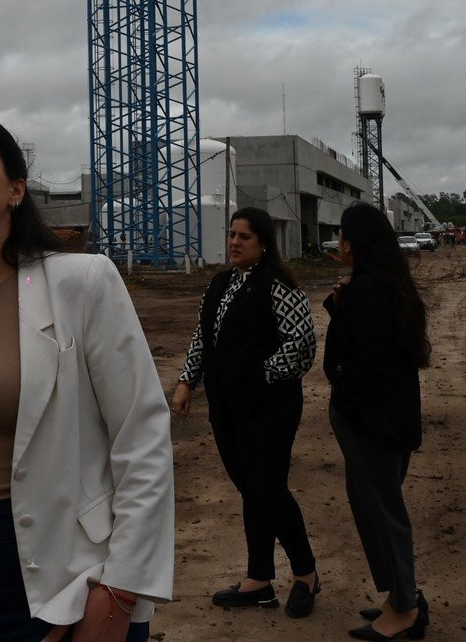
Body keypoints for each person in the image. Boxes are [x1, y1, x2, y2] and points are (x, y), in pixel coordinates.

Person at [0, 115, 174, 642]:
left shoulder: (81, 283)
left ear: (16, 189)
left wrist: (119, 593)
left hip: (69, 578)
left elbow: (143, 437)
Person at [171, 207, 321, 618]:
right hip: (228, 407)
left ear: (264, 244)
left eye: (245, 237)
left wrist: (258, 375)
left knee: (268, 488)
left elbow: (302, 346)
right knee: (251, 488)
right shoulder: (221, 283)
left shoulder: (280, 287)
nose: (234, 242)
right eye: (232, 234)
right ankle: (259, 580)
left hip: (269, 408)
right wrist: (187, 381)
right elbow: (203, 337)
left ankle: (306, 574)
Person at [325, 201, 432, 641]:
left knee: (384, 512)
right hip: (387, 417)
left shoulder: (371, 291)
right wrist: (340, 303)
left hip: (372, 421)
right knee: (371, 506)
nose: (339, 242)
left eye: (343, 234)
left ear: (354, 242)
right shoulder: (385, 285)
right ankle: (399, 597)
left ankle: (406, 610)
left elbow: (364, 360)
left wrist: (344, 401)